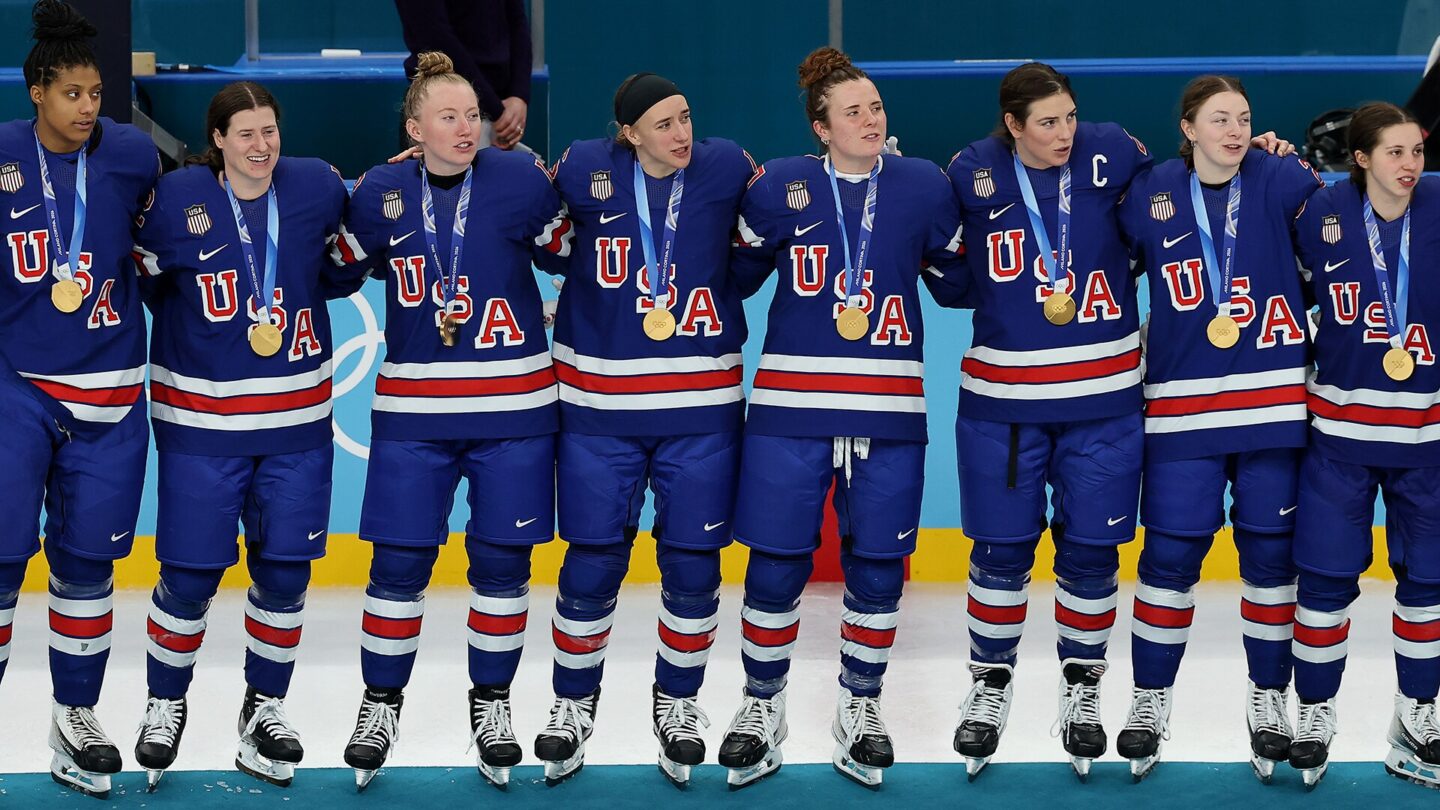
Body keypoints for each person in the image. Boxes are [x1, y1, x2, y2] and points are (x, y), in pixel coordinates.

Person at [718, 47, 969, 789]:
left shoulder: (923, 186)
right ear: (821, 128)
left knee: (879, 565)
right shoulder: (782, 188)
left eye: (876, 108)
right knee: (776, 562)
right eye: (852, 111)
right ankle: (761, 706)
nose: (870, 120)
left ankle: (860, 706)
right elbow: (732, 274)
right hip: (791, 408)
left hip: (889, 407)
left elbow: (956, 284)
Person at [330, 51, 567, 791]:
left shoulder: (521, 181)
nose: (467, 127)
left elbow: (574, 258)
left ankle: (492, 705)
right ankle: (379, 705)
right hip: (414, 417)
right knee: (397, 566)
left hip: (515, 412)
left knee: (502, 567)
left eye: (474, 114)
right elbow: (335, 270)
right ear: (414, 128)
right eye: (449, 116)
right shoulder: (379, 193)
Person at [529, 73, 757, 787]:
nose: (681, 134)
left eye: (686, 117)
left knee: (693, 566)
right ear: (628, 133)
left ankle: (679, 704)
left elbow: (764, 240)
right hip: (599, 408)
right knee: (593, 561)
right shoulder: (582, 168)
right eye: (663, 124)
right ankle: (572, 704)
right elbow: (526, 222)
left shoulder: (727, 166)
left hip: (700, 408)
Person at [129, 81, 353, 790]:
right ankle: (165, 704)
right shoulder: (175, 201)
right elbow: (145, 279)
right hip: (202, 427)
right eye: (246, 134)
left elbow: (347, 266)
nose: (262, 146)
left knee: (285, 573)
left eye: (270, 131)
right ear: (218, 139)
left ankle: (264, 709)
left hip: (296, 427)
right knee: (190, 575)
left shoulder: (315, 186)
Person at [944, 62, 1152, 782]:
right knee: (1001, 555)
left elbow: (1171, 210)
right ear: (1012, 125)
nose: (1063, 133)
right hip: (1004, 407)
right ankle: (990, 686)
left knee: (1092, 555)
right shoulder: (971, 171)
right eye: (1046, 122)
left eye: (1068, 117)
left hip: (1104, 400)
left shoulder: (1115, 151)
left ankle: (1083, 691)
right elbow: (947, 275)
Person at [1114, 75, 1321, 783]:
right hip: (1180, 409)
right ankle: (1149, 701)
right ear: (1189, 127)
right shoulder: (1149, 190)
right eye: (1219, 119)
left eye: (1245, 119)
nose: (1235, 131)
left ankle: (1270, 700)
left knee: (1270, 563)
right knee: (1169, 560)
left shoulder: (1284, 177)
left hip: (1270, 409)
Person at [0, 0, 158, 798]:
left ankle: (76, 715)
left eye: (96, 92)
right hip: (17, 387)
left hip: (114, 395)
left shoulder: (130, 155)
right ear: (36, 92)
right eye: (72, 93)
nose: (88, 106)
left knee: (88, 566)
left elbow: (164, 246)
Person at [1290, 102, 1440, 791]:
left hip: (1427, 439)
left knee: (1430, 585)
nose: (1410, 164)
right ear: (1360, 159)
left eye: (1417, 151)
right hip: (1340, 439)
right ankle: (1315, 712)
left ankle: (1418, 714)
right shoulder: (1317, 215)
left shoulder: (1439, 204)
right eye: (1395, 152)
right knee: (1323, 583)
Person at [394, 0, 531, 150]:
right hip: (439, 101)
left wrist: (518, 95)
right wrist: (497, 112)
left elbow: (517, 20)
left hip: (503, 108)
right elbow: (432, 35)